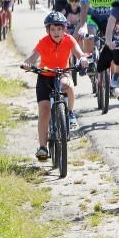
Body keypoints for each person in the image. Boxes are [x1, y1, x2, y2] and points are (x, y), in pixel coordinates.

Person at [20, 12, 89, 159]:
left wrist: (82, 58)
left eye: (59, 29)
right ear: (48, 30)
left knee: (69, 86)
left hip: (62, 74)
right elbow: (33, 56)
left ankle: (69, 113)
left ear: (64, 29)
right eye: (52, 29)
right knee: (44, 111)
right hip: (45, 77)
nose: (56, 32)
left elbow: (78, 52)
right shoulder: (43, 42)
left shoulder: (69, 39)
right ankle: (43, 147)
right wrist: (28, 63)